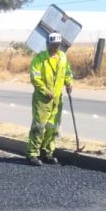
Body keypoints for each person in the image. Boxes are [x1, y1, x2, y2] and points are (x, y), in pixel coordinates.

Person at [26, 32, 74, 166]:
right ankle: (32, 154)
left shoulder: (62, 57)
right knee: (39, 127)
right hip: (42, 100)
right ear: (48, 44)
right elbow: (35, 78)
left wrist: (69, 82)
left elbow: (67, 72)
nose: (55, 47)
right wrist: (46, 91)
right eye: (53, 44)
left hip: (57, 100)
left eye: (57, 44)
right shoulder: (39, 58)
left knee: (52, 127)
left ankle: (47, 152)